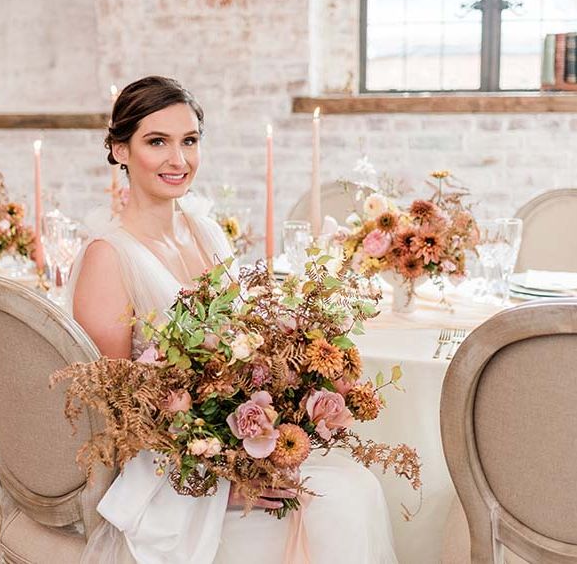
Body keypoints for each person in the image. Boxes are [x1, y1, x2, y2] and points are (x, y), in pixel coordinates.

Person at [69, 76, 398, 563]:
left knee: (354, 486)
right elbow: (113, 415)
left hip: (231, 441)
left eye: (189, 141)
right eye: (156, 142)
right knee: (336, 503)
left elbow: (241, 351)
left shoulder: (205, 233)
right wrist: (223, 482)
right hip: (167, 467)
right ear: (119, 149)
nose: (178, 160)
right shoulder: (107, 257)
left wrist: (273, 425)